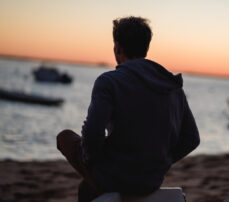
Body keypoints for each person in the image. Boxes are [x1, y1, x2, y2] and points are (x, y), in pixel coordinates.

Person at [56, 16, 200, 202]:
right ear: (145, 48)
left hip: (115, 176)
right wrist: (161, 160)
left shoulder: (109, 82)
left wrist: (96, 161)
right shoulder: (173, 86)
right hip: (151, 180)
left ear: (117, 48)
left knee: (64, 137)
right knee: (86, 188)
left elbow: (92, 134)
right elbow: (192, 138)